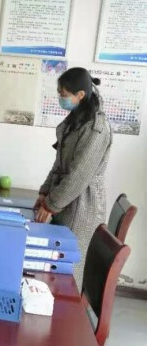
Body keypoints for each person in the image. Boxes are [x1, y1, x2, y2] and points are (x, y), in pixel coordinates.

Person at [35, 67, 112, 290]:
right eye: (59, 93)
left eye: (64, 94)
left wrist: (51, 204)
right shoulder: (77, 119)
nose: (61, 98)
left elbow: (79, 175)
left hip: (82, 205)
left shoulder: (96, 128)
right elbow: (59, 163)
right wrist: (45, 192)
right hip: (64, 200)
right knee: (54, 262)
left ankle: (66, 307)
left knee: (68, 268)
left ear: (80, 95)